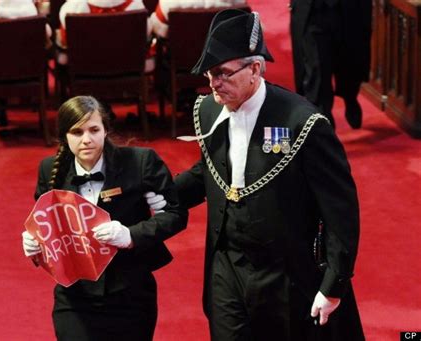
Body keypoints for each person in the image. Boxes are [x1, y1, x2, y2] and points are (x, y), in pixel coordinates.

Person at [148, 9, 364, 340]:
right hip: (226, 267)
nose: (214, 85)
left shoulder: (303, 123)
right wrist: (157, 194)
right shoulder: (208, 110)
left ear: (255, 69)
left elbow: (340, 211)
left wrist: (334, 285)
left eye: (223, 74)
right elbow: (210, 172)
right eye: (209, 74)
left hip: (285, 276)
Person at [21, 95, 187, 340]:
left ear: (106, 129)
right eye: (77, 132)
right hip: (75, 296)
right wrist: (34, 244)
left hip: (130, 293)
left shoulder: (141, 162)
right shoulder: (49, 170)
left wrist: (131, 235)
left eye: (94, 130)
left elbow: (175, 215)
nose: (86, 139)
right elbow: (46, 226)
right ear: (64, 137)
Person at [290, 0, 372, 129]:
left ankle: (350, 97)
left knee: (350, 63)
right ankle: (324, 126)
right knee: (317, 72)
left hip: (349, 11)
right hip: (313, 13)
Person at [149, 0, 247, 39]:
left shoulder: (168, 3)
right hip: (225, 61)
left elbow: (158, 31)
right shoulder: (239, 2)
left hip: (182, 61)